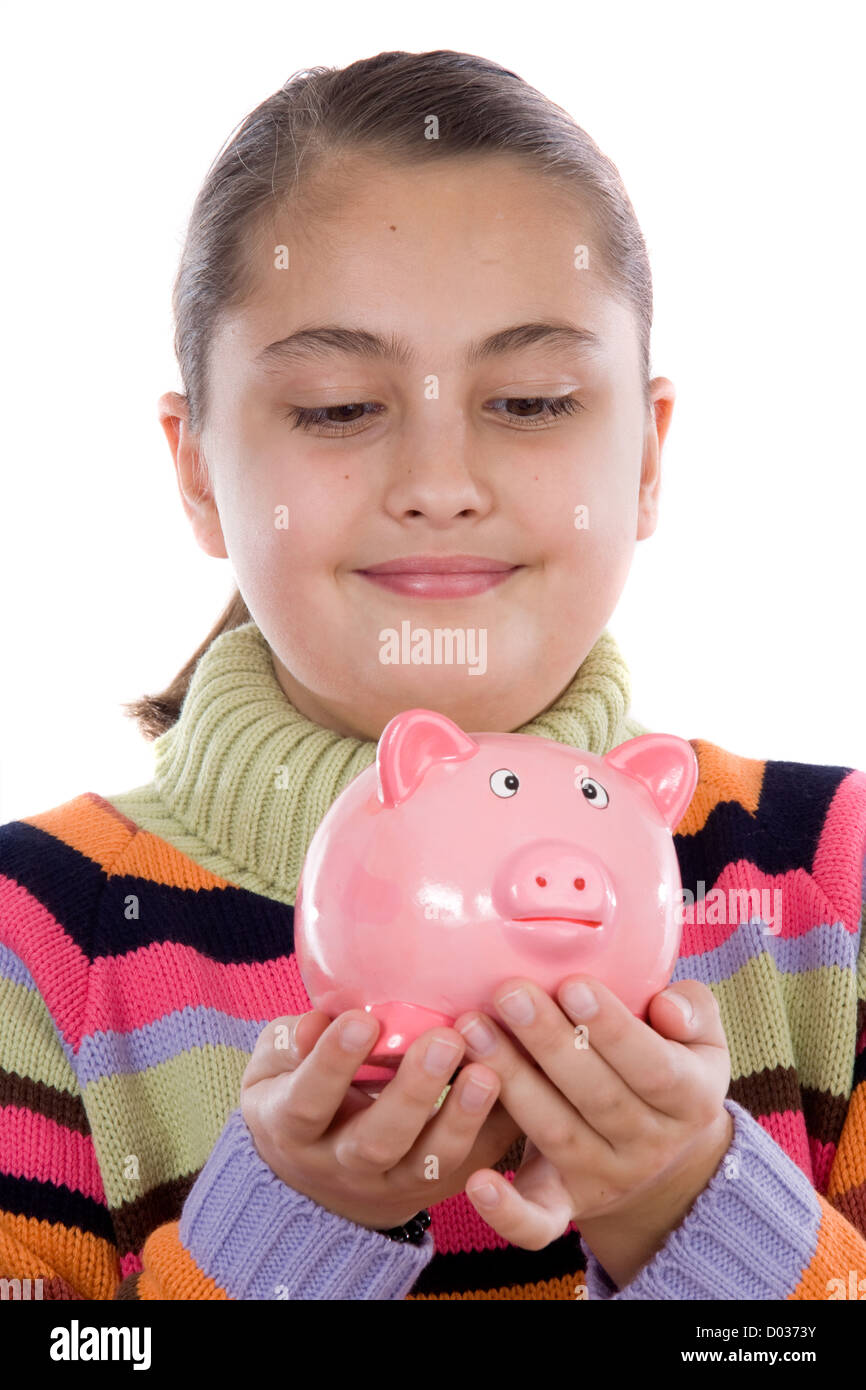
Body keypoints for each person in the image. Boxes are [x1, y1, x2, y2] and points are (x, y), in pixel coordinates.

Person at [1, 49, 864, 1302]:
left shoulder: (820, 880)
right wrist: (284, 1234)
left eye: (527, 398)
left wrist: (690, 1205)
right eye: (340, 408)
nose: (440, 480)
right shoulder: (37, 935)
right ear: (195, 470)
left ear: (644, 458)